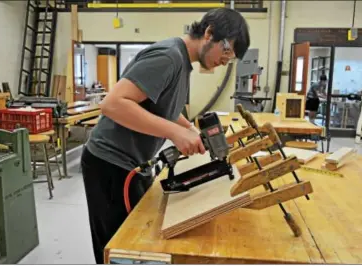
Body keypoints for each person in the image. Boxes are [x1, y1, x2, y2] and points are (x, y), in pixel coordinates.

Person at [81, 8, 250, 264]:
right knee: (120, 249)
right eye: (226, 50)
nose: (225, 61)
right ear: (209, 33)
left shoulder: (183, 64)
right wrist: (175, 133)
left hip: (132, 163)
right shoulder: (169, 57)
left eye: (231, 58)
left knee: (135, 244)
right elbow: (113, 104)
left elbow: (165, 108)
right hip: (111, 163)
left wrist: (189, 130)